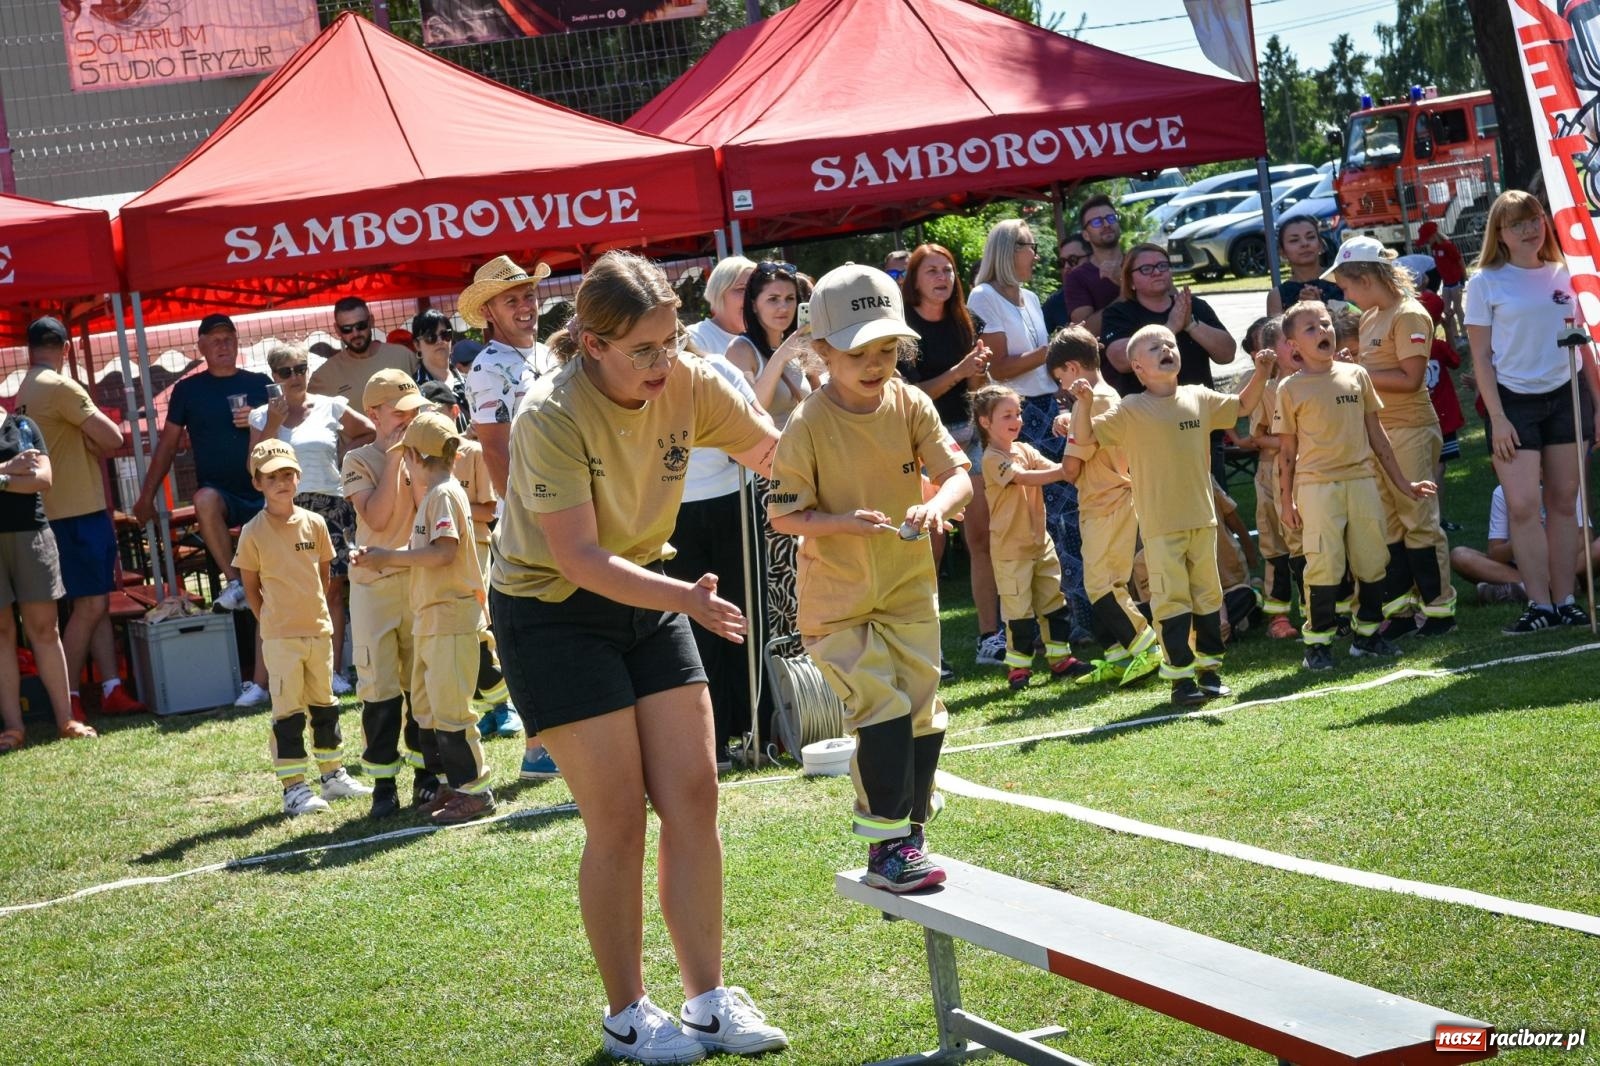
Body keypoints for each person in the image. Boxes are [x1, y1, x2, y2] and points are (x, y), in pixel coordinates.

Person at [490, 251, 786, 1063]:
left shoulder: (691, 378)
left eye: (673, 341)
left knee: (694, 793)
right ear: (591, 344)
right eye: (644, 351)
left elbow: (775, 457)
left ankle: (709, 1003)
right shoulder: (548, 413)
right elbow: (580, 560)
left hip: (650, 589)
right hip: (552, 611)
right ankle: (628, 1014)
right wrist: (687, 597)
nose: (665, 364)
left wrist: (858, 482)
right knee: (617, 818)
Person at [769, 263, 972, 894]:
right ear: (821, 350)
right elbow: (783, 515)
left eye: (888, 348)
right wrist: (840, 523)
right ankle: (886, 847)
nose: (877, 362)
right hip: (839, 605)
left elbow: (961, 475)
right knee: (881, 709)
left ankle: (909, 834)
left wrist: (936, 506)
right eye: (860, 350)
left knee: (922, 712)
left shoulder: (909, 403)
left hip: (909, 590)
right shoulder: (806, 424)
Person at [1074, 325, 1271, 707]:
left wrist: (1261, 372)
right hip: (1161, 527)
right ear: (1137, 367)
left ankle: (1210, 672)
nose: (1166, 348)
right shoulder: (1131, 409)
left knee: (1208, 597)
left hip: (1203, 521)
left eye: (1170, 343)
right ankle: (1181, 678)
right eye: (1154, 346)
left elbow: (1242, 408)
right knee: (1171, 601)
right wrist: (1082, 405)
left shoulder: (1198, 396)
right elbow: (1085, 440)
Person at [1464, 191, 1600, 634]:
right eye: (1517, 223)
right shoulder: (1485, 282)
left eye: (1535, 219)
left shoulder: (1568, 274)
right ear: (1499, 235)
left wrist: (1598, 404)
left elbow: (1589, 349)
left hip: (1568, 396)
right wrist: (1497, 416)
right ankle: (1537, 603)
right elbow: (1481, 358)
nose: (1529, 229)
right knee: (1523, 506)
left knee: (1564, 503)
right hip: (1513, 403)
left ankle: (1564, 600)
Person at [1275, 302, 1438, 670]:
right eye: (1310, 329)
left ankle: (1367, 637)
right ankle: (1317, 644)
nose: (1323, 332)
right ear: (1293, 345)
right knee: (1324, 565)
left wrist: (1403, 483)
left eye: (1325, 324)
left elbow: (1378, 437)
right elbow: (1287, 452)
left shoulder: (1356, 375)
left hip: (1362, 481)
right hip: (1316, 487)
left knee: (1372, 560)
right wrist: (1287, 502)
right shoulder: (1290, 388)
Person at [352, 412, 495, 825]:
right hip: (431, 619)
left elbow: (444, 551)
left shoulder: (442, 495)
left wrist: (388, 557)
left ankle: (476, 792)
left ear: (414, 456)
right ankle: (456, 784)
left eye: (406, 460)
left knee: (452, 710)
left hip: (450, 617)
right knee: (431, 708)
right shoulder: (436, 495)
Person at [131, 314, 272, 704]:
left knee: (264, 558)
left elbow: (286, 428)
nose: (223, 346)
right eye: (215, 341)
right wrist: (146, 497)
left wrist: (259, 421)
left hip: (265, 490)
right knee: (202, 499)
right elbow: (167, 445)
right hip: (222, 494)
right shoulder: (188, 391)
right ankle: (235, 582)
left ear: (238, 342)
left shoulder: (259, 384)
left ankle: (267, 673)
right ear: (201, 348)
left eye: (229, 338)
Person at [456, 254, 559, 781]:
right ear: (490, 312)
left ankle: (558, 738)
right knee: (537, 630)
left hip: (569, 505)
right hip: (531, 514)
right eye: (511, 299)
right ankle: (538, 746)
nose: (524, 305)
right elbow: (495, 452)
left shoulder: (549, 354)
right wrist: (521, 515)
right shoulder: (487, 369)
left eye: (527, 295)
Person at [969, 219, 1093, 645]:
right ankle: (1049, 623)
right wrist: (1056, 346)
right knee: (1048, 516)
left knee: (1069, 512)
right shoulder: (982, 297)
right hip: (1018, 414)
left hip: (1050, 406)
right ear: (1007, 250)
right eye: (1028, 247)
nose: (1035, 256)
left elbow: (1039, 363)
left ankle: (1079, 614)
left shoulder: (1032, 297)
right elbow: (999, 367)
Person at [1327, 236, 1457, 636]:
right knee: (1390, 524)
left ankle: (1439, 611)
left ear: (1365, 277)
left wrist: (1354, 373)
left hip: (1411, 429)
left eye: (1346, 285)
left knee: (1418, 519)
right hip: (1381, 431)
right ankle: (1401, 612)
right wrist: (1353, 365)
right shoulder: (1369, 317)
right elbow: (1378, 372)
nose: (1345, 294)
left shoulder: (1409, 314)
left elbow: (1410, 378)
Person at [15, 317, 144, 718]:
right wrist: (91, 439)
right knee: (89, 606)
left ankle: (110, 687)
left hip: (52, 512)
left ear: (28, 349)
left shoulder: (24, 389)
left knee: (94, 603)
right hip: (78, 513)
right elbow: (114, 438)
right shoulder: (60, 386)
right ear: (67, 349)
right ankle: (67, 696)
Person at [234, 440, 371, 816]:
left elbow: (325, 576)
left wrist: (317, 616)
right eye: (271, 477)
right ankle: (294, 787)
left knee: (325, 706)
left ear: (298, 477)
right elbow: (250, 587)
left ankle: (333, 775)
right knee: (288, 712)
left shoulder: (315, 524)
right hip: (280, 638)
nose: (282, 482)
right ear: (257, 483)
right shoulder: (253, 531)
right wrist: (270, 621)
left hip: (318, 632)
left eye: (287, 474)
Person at [896, 243, 1001, 668]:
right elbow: (912, 395)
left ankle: (990, 638)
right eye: (932, 272)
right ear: (914, 281)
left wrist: (978, 374)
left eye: (949, 270)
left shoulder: (967, 321)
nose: (943, 278)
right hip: (923, 441)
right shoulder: (903, 331)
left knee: (982, 538)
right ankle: (929, 650)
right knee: (930, 548)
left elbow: (976, 392)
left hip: (969, 433)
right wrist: (960, 371)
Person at [250, 344, 375, 698]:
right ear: (273, 377)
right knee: (283, 591)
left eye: (301, 368)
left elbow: (367, 432)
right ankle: (280, 676)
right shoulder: (262, 416)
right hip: (283, 508)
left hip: (330, 505)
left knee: (333, 590)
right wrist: (274, 422)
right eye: (286, 372)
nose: (296, 377)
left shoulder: (330, 405)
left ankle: (333, 671)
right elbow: (252, 465)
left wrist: (345, 455)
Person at [1051, 326, 1159, 687]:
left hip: (1105, 501)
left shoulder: (1092, 401)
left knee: (1102, 584)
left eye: (1060, 378)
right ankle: (1117, 653)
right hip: (1110, 498)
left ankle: (1145, 645)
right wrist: (1070, 419)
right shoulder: (1106, 394)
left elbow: (1070, 467)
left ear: (1073, 368)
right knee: (1107, 580)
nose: (1061, 387)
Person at [341, 370, 427, 817]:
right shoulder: (359, 460)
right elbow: (376, 516)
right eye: (400, 413)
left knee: (421, 682)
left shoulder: (425, 452)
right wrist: (395, 459)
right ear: (373, 413)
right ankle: (383, 785)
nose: (409, 420)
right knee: (379, 687)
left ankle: (427, 776)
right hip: (375, 586)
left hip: (417, 579)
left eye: (414, 412)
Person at [969, 383, 1090, 689]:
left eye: (1018, 413)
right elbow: (1025, 477)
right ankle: (1019, 668)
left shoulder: (1024, 449)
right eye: (1007, 415)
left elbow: (1050, 467)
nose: (1017, 420)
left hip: (1041, 544)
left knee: (1054, 604)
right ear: (985, 422)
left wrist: (1072, 463)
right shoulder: (992, 457)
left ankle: (1060, 659)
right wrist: (1065, 471)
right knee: (1018, 612)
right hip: (1011, 550)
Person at [0, 404, 96, 752]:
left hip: (32, 535)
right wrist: (11, 470)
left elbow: (43, 479)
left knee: (45, 630)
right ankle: (13, 727)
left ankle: (66, 720)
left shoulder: (23, 425)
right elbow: (26, 478)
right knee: (2, 632)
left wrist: (1, 478)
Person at [1240, 316, 1307, 638]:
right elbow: (1257, 436)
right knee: (1277, 546)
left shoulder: (1314, 383)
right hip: (1272, 474)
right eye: (1286, 341)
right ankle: (1278, 615)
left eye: (1298, 339)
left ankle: (1318, 608)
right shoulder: (1267, 390)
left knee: (1311, 545)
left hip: (1310, 472)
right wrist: (1291, 441)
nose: (1295, 346)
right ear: (1269, 352)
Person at [1450, 485, 1600, 603]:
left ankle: (1522, 590)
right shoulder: (1502, 492)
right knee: (1459, 555)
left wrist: (1552, 537)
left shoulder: (1567, 484)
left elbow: (1586, 538)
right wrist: (1524, 536)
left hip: (1565, 561)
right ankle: (1551, 587)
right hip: (1521, 566)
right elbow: (1495, 553)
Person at [725, 260, 810, 425]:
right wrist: (780, 357)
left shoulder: (795, 346)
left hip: (803, 447)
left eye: (790, 298)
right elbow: (753, 412)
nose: (784, 307)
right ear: (754, 305)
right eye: (773, 299)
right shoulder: (740, 349)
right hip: (771, 449)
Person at [1416, 290, 1465, 531]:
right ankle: (1435, 518)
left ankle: (1432, 519)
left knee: (1428, 468)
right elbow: (1457, 360)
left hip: (1423, 418)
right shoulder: (1439, 346)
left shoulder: (1411, 347)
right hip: (1442, 418)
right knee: (1438, 468)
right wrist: (1450, 330)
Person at [308, 296, 417, 402]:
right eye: (347, 329)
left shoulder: (403, 356)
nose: (355, 334)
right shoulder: (323, 377)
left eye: (361, 325)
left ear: (371, 321)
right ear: (337, 330)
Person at [1061, 196, 1124, 338]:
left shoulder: (1140, 261)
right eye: (1097, 222)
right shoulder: (1077, 278)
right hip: (1111, 356)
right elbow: (1084, 331)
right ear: (1086, 235)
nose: (1107, 224)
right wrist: (1126, 294)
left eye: (1111, 218)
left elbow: (1171, 298)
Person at [1265, 216, 1345, 316]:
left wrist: (1321, 307)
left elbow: (1357, 322)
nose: (1304, 244)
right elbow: (1277, 331)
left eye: (1310, 237)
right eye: (1294, 240)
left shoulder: (1342, 279)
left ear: (1320, 244)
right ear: (1282, 252)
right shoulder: (1277, 296)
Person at [685, 255, 755, 357]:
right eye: (741, 289)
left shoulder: (764, 337)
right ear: (718, 292)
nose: (752, 297)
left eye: (756, 289)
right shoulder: (696, 338)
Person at [409, 308, 469, 429]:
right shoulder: (413, 390)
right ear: (417, 345)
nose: (440, 341)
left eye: (445, 334)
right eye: (430, 337)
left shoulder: (470, 382)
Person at [1418, 220, 1467, 347]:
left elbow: (1459, 260)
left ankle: (1465, 335)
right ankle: (1455, 336)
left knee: (1457, 307)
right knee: (1446, 309)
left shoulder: (1447, 245)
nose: (1426, 243)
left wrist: (1464, 277)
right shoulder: (1434, 248)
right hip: (1446, 283)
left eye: (1427, 239)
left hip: (1456, 281)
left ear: (1433, 235)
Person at [1042, 231, 1091, 334]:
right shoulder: (1056, 301)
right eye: (1062, 262)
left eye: (1073, 260)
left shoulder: (1111, 286)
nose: (1066, 267)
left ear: (1093, 258)